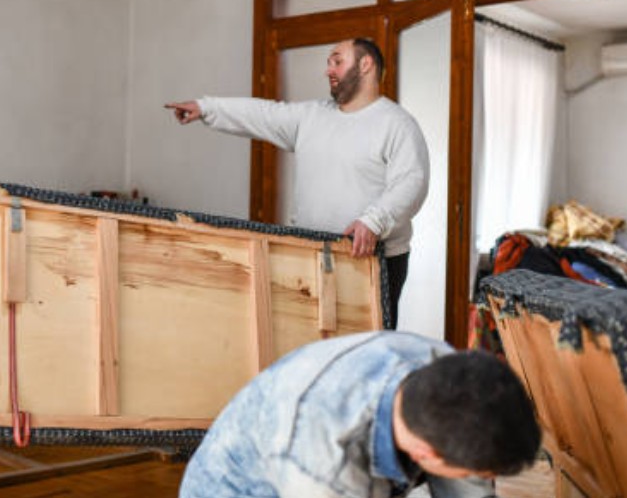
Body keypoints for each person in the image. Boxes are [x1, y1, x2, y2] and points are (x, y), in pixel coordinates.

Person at [166, 38, 429, 327]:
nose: (328, 70)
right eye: (328, 63)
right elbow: (262, 114)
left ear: (366, 65)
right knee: (309, 347)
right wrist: (205, 108)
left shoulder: (397, 124)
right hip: (310, 255)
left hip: (374, 262)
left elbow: (411, 183)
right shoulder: (311, 116)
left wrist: (374, 221)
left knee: (365, 356)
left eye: (337, 61)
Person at [180, 331, 541, 498]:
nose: (481, 479)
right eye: (477, 472)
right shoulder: (327, 470)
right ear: (425, 454)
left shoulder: (444, 367)